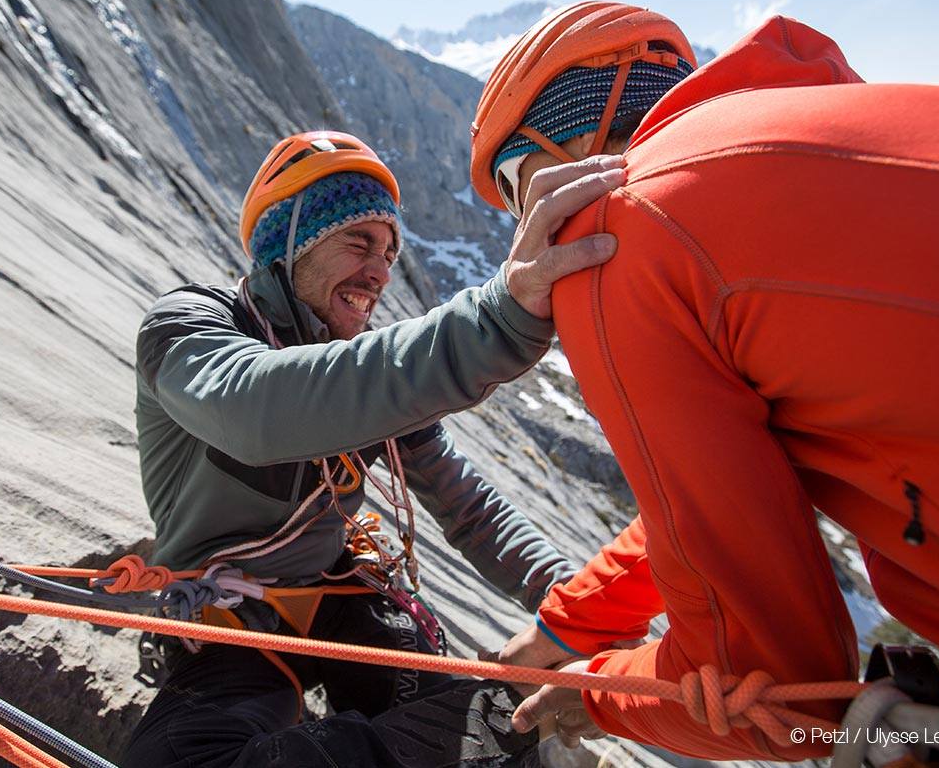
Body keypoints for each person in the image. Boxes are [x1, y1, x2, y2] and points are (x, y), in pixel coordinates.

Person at [469, 1, 939, 761]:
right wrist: (568, 625)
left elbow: (774, 677)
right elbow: (726, 490)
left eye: (509, 182)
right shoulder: (795, 133)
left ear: (568, 136)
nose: (515, 222)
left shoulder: (620, 235)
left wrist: (598, 691)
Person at [122, 130, 626, 767]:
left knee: (477, 732)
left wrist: (578, 609)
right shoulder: (189, 325)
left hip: (342, 593)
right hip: (229, 620)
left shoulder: (366, 378)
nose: (382, 270)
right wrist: (493, 324)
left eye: (389, 252)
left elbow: (468, 506)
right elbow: (251, 412)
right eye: (358, 241)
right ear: (286, 245)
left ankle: (516, 736)